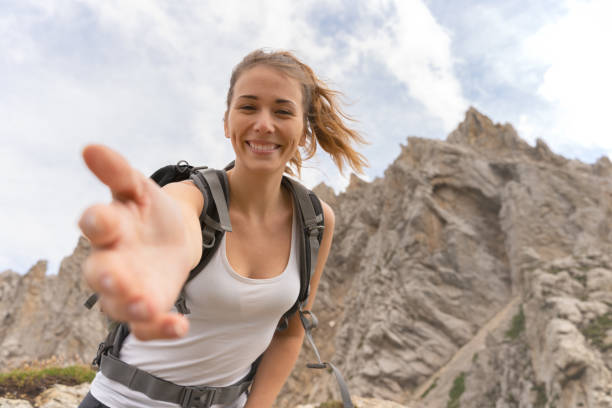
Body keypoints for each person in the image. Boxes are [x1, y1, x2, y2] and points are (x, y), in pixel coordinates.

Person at [77, 49, 367, 408]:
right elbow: (178, 228)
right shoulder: (189, 197)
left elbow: (290, 332)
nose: (264, 123)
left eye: (282, 111)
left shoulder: (316, 221)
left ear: (304, 131)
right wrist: (163, 255)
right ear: (226, 122)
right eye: (248, 107)